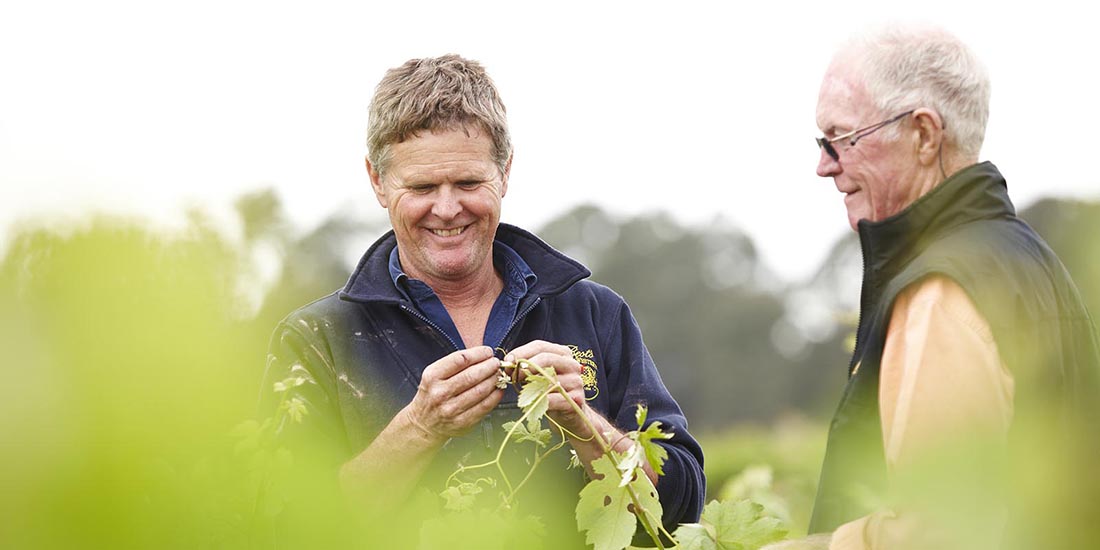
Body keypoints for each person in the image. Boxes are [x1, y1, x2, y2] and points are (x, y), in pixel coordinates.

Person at [262, 54, 705, 543]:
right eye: (423, 186)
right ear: (378, 182)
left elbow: (682, 512)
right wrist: (419, 428)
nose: (447, 208)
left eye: (469, 183)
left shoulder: (595, 313)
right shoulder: (317, 341)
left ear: (505, 173)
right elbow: (286, 529)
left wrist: (588, 429)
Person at [784, 24, 1100, 550]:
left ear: (925, 135)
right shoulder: (1031, 262)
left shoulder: (941, 291)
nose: (824, 165)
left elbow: (938, 530)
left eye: (839, 138)